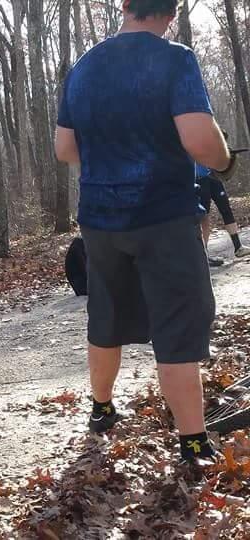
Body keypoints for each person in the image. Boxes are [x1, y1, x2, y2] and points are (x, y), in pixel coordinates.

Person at [54, 0, 238, 463]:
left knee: (107, 314)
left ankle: (100, 408)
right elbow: (199, 140)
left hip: (100, 218)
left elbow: (64, 148)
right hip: (164, 216)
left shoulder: (84, 66)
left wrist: (107, 168)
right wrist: (226, 161)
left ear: (124, 7)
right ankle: (193, 442)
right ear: (171, 14)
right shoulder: (174, 59)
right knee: (176, 324)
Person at [196, 159, 249, 266]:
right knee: (204, 216)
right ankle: (204, 255)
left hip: (213, 175)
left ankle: (238, 247)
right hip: (199, 179)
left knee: (226, 209)